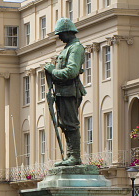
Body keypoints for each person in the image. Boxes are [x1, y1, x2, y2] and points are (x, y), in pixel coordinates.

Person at [44, 18, 86, 167]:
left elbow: (71, 72)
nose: (59, 37)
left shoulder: (76, 48)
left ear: (68, 31)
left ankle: (74, 156)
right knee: (64, 124)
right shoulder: (66, 48)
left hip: (70, 92)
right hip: (62, 92)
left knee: (71, 124)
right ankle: (70, 155)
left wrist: (53, 71)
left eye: (61, 33)